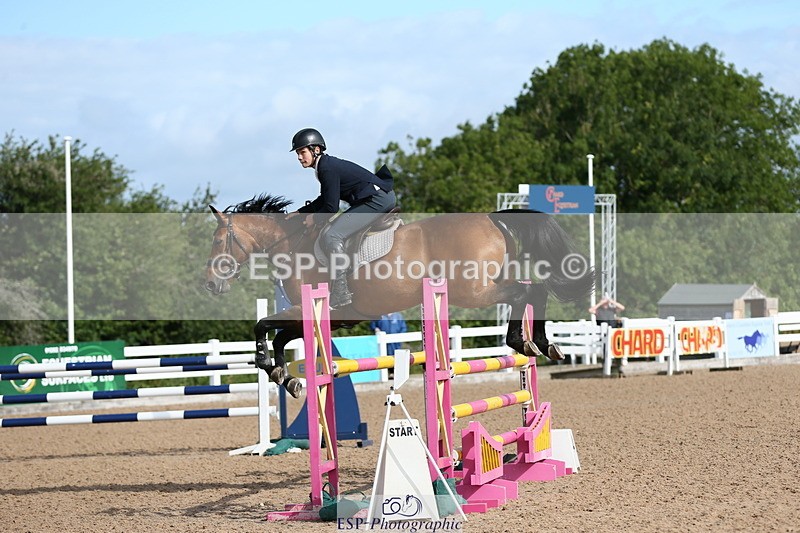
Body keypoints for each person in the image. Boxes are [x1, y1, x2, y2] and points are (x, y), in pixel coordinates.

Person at [291, 128, 396, 309]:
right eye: (298, 154)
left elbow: (331, 207)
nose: (299, 157)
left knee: (332, 235)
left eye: (302, 152)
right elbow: (324, 200)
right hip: (377, 197)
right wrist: (300, 212)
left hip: (377, 200)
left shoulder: (326, 167)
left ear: (316, 150)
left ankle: (340, 291)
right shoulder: (324, 166)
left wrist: (314, 219)